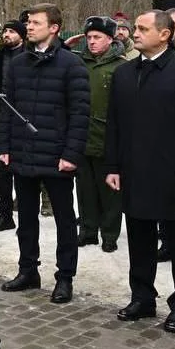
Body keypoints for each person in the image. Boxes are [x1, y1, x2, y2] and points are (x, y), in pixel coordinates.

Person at [106, 9, 175, 335]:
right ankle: (142, 297)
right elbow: (115, 126)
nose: (134, 33)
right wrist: (113, 166)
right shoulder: (124, 74)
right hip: (136, 174)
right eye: (135, 28)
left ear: (164, 34)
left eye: (142, 28)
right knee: (139, 242)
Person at [0, 3, 89, 304]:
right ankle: (28, 270)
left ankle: (64, 278)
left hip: (57, 156)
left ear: (54, 28)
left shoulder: (71, 65)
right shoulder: (19, 64)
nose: (29, 26)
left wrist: (71, 154)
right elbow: (7, 110)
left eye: (36, 22)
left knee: (64, 219)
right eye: (28, 22)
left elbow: (80, 114)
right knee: (26, 219)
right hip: (23, 153)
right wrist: (4, 147)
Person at [75, 16, 127, 253]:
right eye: (89, 37)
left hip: (109, 137)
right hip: (81, 136)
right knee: (85, 189)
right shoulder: (78, 63)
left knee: (110, 192)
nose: (92, 42)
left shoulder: (121, 66)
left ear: (110, 39)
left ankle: (109, 234)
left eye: (97, 37)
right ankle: (87, 230)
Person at [0, 20, 26, 231]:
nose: (6, 34)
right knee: (2, 171)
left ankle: (26, 216)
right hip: (1, 117)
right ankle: (5, 214)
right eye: (4, 31)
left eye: (11, 31)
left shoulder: (29, 55)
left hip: (23, 118)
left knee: (22, 172)